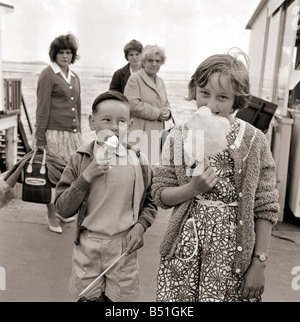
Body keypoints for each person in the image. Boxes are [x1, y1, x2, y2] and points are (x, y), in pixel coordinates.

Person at [151, 50, 280, 302]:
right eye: (204, 94)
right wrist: (192, 189)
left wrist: (259, 263)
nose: (211, 105)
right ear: (194, 92)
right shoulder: (177, 136)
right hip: (184, 248)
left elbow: (265, 206)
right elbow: (160, 195)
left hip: (231, 254)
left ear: (237, 100)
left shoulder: (255, 140)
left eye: (222, 97)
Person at [54, 90, 157, 302]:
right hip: (88, 244)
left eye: (121, 121)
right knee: (88, 298)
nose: (113, 127)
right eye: (106, 120)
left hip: (123, 247)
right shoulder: (79, 159)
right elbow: (62, 208)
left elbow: (151, 200)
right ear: (92, 123)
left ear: (129, 126)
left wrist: (141, 226)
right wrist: (86, 177)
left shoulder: (139, 160)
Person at [34, 33, 83, 234]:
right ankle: (51, 213)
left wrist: (79, 131)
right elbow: (42, 108)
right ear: (54, 54)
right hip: (53, 133)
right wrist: (39, 138)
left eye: (68, 52)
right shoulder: (47, 74)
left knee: (71, 174)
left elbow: (77, 107)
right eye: (61, 52)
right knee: (51, 175)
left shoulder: (74, 77)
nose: (65, 56)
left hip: (72, 135)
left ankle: (62, 209)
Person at [124, 44, 172, 165]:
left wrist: (168, 112)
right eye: (150, 60)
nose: (154, 64)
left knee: (154, 167)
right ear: (143, 62)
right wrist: (158, 113)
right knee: (138, 166)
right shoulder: (135, 79)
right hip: (139, 132)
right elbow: (132, 104)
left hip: (157, 133)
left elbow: (165, 103)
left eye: (158, 61)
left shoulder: (160, 81)